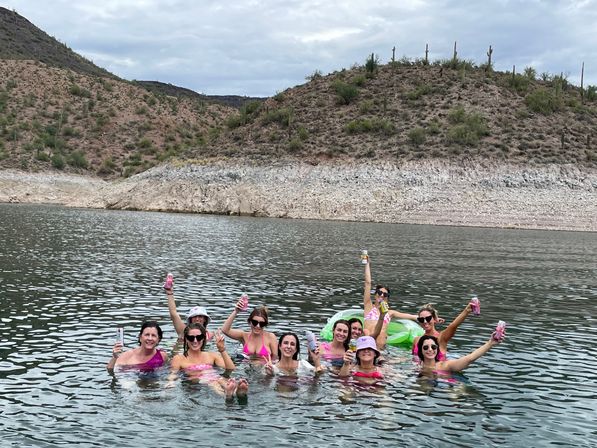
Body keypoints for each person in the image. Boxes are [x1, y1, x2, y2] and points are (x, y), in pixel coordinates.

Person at [169, 323, 247, 400]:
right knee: (211, 380)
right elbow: (173, 374)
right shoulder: (178, 358)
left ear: (203, 338)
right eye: (191, 338)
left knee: (222, 380)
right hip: (195, 382)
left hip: (215, 377)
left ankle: (236, 391)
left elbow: (231, 369)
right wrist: (170, 382)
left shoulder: (212, 355)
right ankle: (227, 395)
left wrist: (222, 350)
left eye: (199, 337)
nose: (195, 341)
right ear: (186, 339)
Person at [363, 255, 417, 349]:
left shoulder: (390, 313)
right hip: (368, 344)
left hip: (382, 346)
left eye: (385, 294)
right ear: (375, 294)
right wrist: (367, 264)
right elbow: (368, 283)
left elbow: (412, 316)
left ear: (387, 299)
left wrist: (432, 318)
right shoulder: (369, 307)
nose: (382, 295)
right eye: (379, 293)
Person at [416, 333, 503, 373]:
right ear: (420, 350)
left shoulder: (445, 366)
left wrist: (490, 343)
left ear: (437, 349)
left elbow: (469, 359)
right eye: (426, 347)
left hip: (449, 387)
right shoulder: (418, 366)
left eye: (433, 347)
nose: (430, 349)